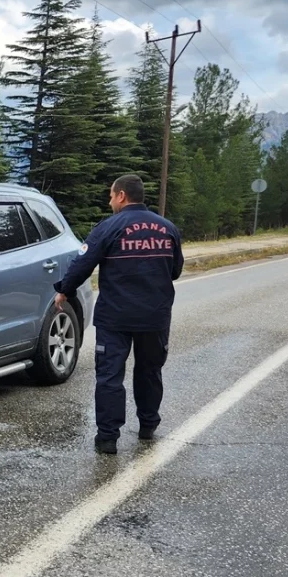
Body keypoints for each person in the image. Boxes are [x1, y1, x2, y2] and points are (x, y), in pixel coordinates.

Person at [53, 174, 185, 455]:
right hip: (155, 316)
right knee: (150, 371)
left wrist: (64, 290)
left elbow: (83, 263)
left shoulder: (108, 227)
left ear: (122, 195)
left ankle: (108, 438)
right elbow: (175, 271)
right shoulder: (168, 228)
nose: (110, 200)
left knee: (110, 376)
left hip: (115, 318)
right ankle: (148, 426)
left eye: (111, 195)